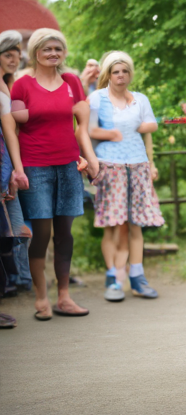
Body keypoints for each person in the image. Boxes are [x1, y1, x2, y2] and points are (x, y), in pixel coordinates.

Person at [3, 28, 99, 320]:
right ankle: (41, 298)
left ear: (64, 52)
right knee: (42, 234)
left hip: (69, 166)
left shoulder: (71, 82)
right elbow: (13, 130)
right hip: (35, 167)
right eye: (47, 49)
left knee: (65, 234)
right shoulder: (21, 86)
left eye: (58, 48)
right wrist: (17, 169)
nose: (53, 53)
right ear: (35, 53)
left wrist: (91, 160)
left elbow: (82, 126)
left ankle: (64, 297)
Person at [88, 51, 163, 301]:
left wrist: (151, 163)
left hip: (138, 165)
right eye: (115, 71)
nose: (121, 75)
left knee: (136, 224)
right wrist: (112, 135)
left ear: (130, 74)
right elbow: (88, 131)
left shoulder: (140, 99)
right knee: (112, 226)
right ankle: (113, 279)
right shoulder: (97, 98)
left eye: (125, 71)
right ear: (108, 74)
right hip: (109, 165)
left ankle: (137, 278)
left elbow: (150, 127)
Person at [0, 30, 32, 295]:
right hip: (4, 157)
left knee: (17, 224)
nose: (13, 59)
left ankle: (19, 278)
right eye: (7, 54)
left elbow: (15, 128)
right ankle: (14, 279)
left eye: (17, 54)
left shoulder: (11, 83)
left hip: (11, 159)